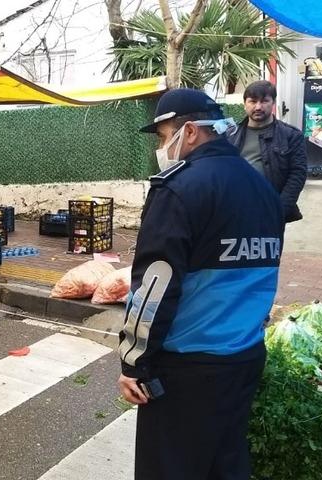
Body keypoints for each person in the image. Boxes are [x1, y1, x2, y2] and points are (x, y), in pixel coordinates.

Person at [117, 89, 284, 479]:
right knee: (225, 464)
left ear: (189, 132)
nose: (163, 148)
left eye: (163, 136)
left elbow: (154, 287)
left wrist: (134, 362)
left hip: (187, 368)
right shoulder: (261, 188)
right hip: (245, 357)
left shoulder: (178, 188)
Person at [228, 80, 307, 223]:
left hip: (271, 208)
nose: (258, 107)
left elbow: (298, 174)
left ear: (273, 102)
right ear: (245, 103)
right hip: (235, 208)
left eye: (264, 101)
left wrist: (279, 210)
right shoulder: (230, 135)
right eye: (252, 101)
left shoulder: (291, 136)